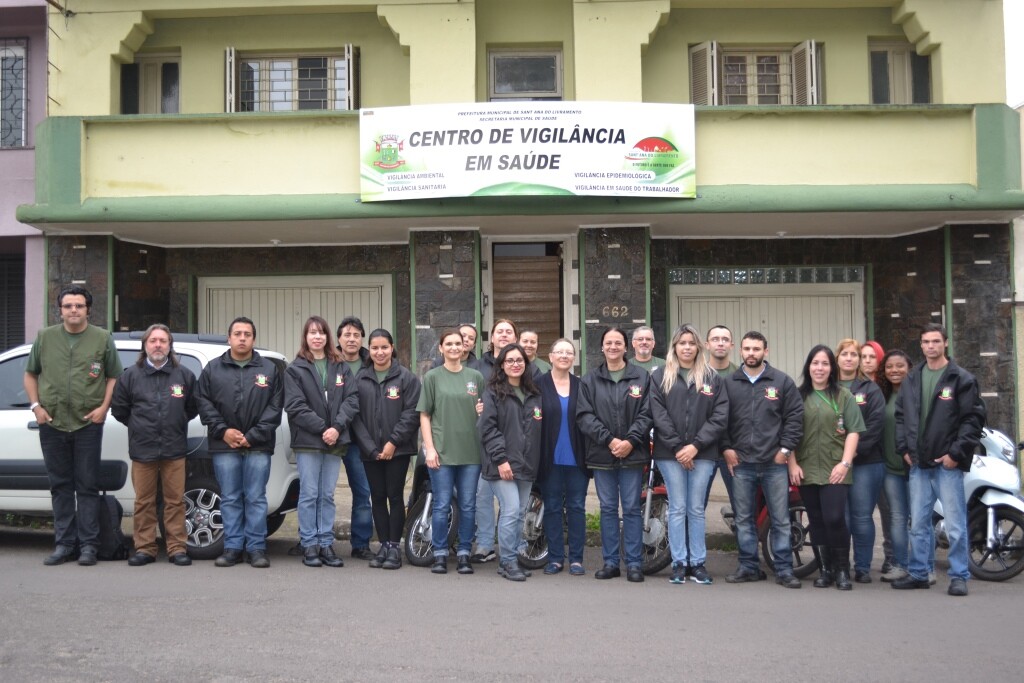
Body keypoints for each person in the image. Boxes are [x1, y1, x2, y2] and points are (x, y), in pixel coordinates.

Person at [24, 285, 123, 566]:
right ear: (60, 310)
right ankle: (65, 545)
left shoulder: (102, 338)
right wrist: (36, 407)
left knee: (88, 486)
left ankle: (89, 546)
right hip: (52, 423)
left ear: (88, 309)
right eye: (68, 306)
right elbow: (30, 374)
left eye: (79, 305)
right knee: (60, 486)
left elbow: (114, 376)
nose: (74, 310)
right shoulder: (45, 337)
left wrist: (104, 408)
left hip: (87, 424)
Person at [893, 323, 985, 597]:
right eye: (926, 342)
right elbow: (901, 416)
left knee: (955, 525)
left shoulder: (961, 378)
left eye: (935, 341)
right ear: (921, 345)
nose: (930, 346)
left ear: (945, 343)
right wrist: (904, 448)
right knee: (919, 524)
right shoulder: (912, 378)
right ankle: (919, 573)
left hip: (947, 465)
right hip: (918, 464)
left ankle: (959, 576)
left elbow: (973, 419)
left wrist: (956, 454)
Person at [197, 317, 284, 569]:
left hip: (259, 445)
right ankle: (233, 548)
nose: (242, 338)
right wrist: (223, 431)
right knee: (230, 497)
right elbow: (203, 402)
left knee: (256, 497)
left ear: (253, 339)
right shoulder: (213, 369)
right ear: (229, 338)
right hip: (224, 445)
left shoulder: (269, 369)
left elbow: (275, 407)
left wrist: (253, 435)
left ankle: (256, 548)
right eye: (237, 334)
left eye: (247, 334)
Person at [721, 331, 804, 589]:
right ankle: (749, 567)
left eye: (756, 349)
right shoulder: (729, 383)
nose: (751, 353)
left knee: (780, 519)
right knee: (744, 518)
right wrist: (726, 448)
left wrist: (785, 450)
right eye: (747, 349)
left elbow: (795, 418)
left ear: (765, 351)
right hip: (742, 463)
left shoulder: (781, 381)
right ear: (740, 351)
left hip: (773, 463)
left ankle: (784, 569)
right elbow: (719, 419)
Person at [110, 324, 198, 567]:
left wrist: (176, 422)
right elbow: (119, 409)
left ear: (170, 346)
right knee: (144, 502)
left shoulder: (184, 376)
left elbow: (192, 407)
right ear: (145, 345)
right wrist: (139, 426)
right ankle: (145, 548)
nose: (158, 345)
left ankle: (177, 548)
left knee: (175, 501)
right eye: (153, 340)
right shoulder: (130, 376)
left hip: (174, 449)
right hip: (142, 449)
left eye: (162, 341)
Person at [650, 324, 729, 585]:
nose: (687, 347)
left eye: (691, 343)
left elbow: (720, 416)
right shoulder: (660, 375)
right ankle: (679, 563)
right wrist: (677, 447)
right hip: (669, 453)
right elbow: (658, 414)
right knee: (677, 508)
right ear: (674, 346)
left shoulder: (712, 378)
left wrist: (695, 446)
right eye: (682, 343)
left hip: (703, 453)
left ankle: (698, 563)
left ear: (698, 347)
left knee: (695, 509)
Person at [577, 327, 652, 583]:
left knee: (631, 508)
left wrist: (630, 441)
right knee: (608, 509)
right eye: (608, 343)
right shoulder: (590, 380)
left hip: (633, 454)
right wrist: (609, 440)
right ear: (602, 347)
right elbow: (584, 416)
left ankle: (634, 563)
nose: (613, 347)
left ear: (625, 347)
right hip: (602, 454)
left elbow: (647, 413)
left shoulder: (641, 377)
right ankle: (610, 563)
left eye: (618, 342)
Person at [789, 345, 865, 591]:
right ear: (808, 367)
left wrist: (845, 463)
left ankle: (842, 570)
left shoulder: (843, 396)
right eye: (815, 363)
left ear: (832, 368)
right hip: (806, 467)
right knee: (816, 520)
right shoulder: (797, 396)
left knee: (834, 518)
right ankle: (825, 570)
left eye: (825, 363)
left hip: (836, 468)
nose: (819, 368)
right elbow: (789, 433)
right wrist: (792, 464)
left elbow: (853, 431)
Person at [284, 316, 358, 568]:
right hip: (308, 441)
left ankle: (326, 543)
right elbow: (295, 406)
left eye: (321, 332)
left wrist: (336, 428)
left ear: (328, 337)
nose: (317, 337)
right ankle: (309, 544)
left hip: (334, 441)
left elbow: (352, 399)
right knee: (309, 494)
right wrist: (323, 429)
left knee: (327, 494)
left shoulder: (341, 367)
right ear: (305, 337)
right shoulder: (295, 369)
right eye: (312, 333)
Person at [417, 328, 485, 575]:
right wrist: (430, 449)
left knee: (468, 505)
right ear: (441, 348)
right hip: (442, 453)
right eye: (449, 344)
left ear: (465, 347)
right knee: (441, 505)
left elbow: (484, 410)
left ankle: (464, 552)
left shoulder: (475, 377)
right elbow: (424, 415)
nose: (455, 347)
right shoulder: (432, 377)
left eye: (459, 343)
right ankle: (440, 553)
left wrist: (482, 411)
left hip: (471, 453)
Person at [352, 328, 421, 570]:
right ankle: (383, 545)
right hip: (369, 451)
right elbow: (354, 417)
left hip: (398, 451)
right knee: (377, 497)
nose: (379, 352)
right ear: (369, 350)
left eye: (384, 347)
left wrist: (392, 442)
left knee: (395, 496)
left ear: (392, 348)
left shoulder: (406, 378)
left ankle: (394, 547)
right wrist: (370, 448)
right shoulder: (360, 379)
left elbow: (411, 414)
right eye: (374, 348)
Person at [478, 343, 543, 581]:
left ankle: (512, 558)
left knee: (520, 513)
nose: (515, 364)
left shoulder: (534, 393)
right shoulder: (492, 392)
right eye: (510, 361)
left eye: (519, 360)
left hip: (526, 464)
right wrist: (501, 459)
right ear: (502, 365)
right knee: (512, 509)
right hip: (501, 464)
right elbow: (487, 428)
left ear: (526, 364)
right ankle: (507, 561)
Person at [536, 338, 588, 576]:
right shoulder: (538, 384)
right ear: (550, 357)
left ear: (574, 358)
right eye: (560, 352)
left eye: (569, 352)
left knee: (576, 507)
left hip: (577, 458)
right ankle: (556, 558)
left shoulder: (582, 385)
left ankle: (576, 559)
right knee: (553, 507)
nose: (564, 356)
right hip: (549, 458)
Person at [836, 338, 886, 583]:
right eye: (844, 354)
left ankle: (863, 567)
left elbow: (875, 426)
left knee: (861, 517)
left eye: (853, 355)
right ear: (837, 358)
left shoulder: (870, 389)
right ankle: (841, 566)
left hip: (866, 462)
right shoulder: (827, 386)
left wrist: (851, 453)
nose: (849, 358)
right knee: (840, 518)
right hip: (833, 463)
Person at [471, 318, 518, 564]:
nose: (504, 335)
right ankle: (486, 544)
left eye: (509, 331)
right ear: (491, 338)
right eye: (499, 331)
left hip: (516, 443)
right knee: (483, 493)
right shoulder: (479, 366)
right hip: (486, 440)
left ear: (515, 337)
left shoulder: (524, 365)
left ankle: (516, 546)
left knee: (514, 501)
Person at [334, 316, 375, 561]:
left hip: (361, 439)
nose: (351, 339)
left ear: (362, 339)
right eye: (347, 335)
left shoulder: (372, 363)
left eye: (356, 335)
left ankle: (361, 544)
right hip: (331, 435)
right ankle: (313, 541)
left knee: (362, 492)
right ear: (338, 339)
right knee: (319, 493)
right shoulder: (329, 362)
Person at [877, 349, 914, 583]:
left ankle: (923, 566)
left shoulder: (916, 393)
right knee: (898, 519)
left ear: (909, 368)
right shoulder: (883, 395)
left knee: (919, 520)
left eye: (900, 366)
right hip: (891, 468)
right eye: (889, 367)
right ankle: (900, 564)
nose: (894, 370)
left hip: (915, 467)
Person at [862, 339, 895, 574]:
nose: (867, 361)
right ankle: (860, 560)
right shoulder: (852, 387)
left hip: (888, 458)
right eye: (863, 357)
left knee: (889, 511)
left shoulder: (889, 387)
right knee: (862, 513)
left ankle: (892, 556)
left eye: (872, 357)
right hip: (864, 457)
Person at [704, 324, 738, 510]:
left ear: (731, 345)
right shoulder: (697, 375)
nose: (720, 343)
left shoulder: (740, 376)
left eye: (725, 339)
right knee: (697, 506)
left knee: (741, 506)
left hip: (733, 451)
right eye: (715, 339)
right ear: (707, 344)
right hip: (703, 450)